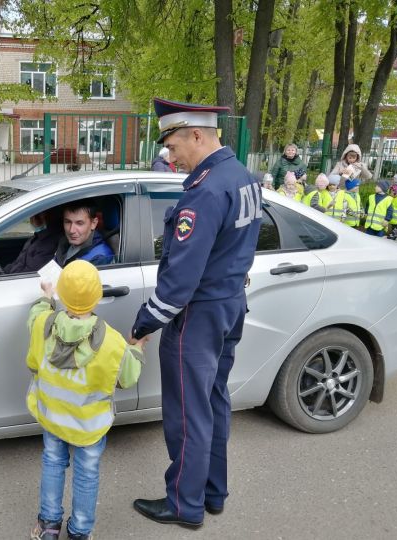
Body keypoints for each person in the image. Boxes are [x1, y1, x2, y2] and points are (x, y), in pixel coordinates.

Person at [130, 98, 262, 528]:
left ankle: (184, 505)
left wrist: (144, 323)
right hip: (229, 305)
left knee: (188, 413)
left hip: (198, 316)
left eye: (172, 146)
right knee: (214, 402)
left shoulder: (204, 192)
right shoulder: (242, 177)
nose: (170, 157)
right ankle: (212, 492)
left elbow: (180, 281)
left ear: (197, 135)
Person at [27, 260, 146, 540]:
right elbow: (128, 378)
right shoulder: (112, 342)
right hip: (90, 427)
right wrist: (138, 349)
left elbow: (36, 318)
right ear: (97, 297)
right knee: (86, 474)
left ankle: (48, 527)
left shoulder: (43, 325)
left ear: (61, 295)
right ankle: (80, 531)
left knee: (53, 463)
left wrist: (46, 295)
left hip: (53, 417)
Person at [53, 201, 115, 267]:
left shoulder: (100, 257)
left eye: (79, 223)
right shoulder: (64, 243)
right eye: (68, 222)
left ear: (93, 223)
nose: (71, 230)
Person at [388, 173, 397, 238]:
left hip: (389, 213)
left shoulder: (391, 188)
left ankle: (391, 235)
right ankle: (393, 236)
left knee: (389, 227)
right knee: (395, 229)